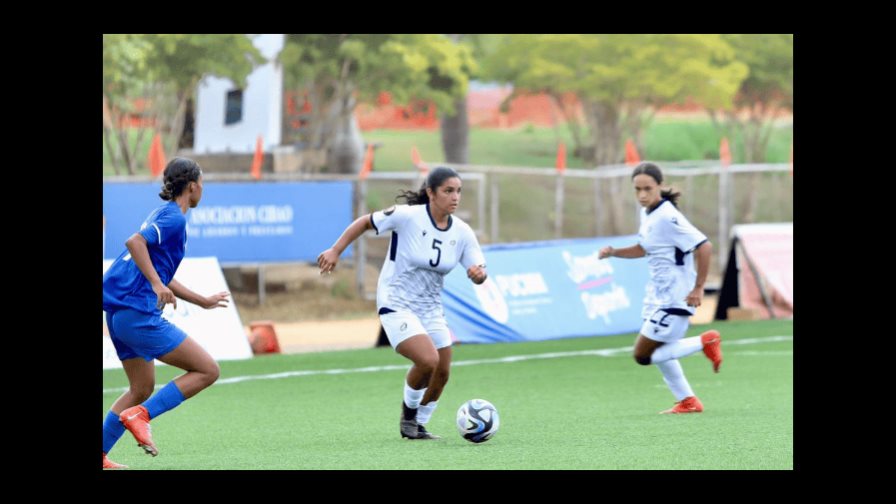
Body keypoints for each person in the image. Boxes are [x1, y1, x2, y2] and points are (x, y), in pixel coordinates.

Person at [317, 167, 487, 439]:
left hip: (430, 308)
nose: (455, 197)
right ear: (431, 193)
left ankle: (419, 424)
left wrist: (478, 274)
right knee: (428, 360)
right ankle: (408, 417)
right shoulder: (407, 216)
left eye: (458, 191)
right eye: (448, 191)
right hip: (396, 301)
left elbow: (477, 268)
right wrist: (336, 250)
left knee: (442, 371)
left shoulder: (463, 232)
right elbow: (364, 222)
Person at [102, 158, 229, 468]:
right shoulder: (174, 219)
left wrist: (201, 300)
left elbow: (157, 267)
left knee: (141, 388)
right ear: (192, 186)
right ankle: (141, 415)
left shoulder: (163, 214)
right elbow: (134, 243)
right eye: (202, 183)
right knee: (208, 370)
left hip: (120, 316)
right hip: (137, 313)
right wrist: (158, 285)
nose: (203, 189)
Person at [598, 162, 722, 414]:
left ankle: (705, 341)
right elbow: (644, 248)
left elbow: (704, 246)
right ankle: (687, 400)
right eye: (637, 189)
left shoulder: (668, 216)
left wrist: (698, 288)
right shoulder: (649, 214)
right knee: (661, 350)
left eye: (648, 189)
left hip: (675, 298)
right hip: (658, 296)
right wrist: (614, 252)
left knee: (642, 356)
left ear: (660, 186)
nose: (642, 195)